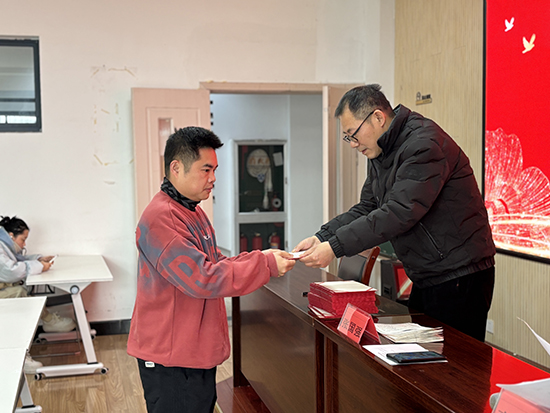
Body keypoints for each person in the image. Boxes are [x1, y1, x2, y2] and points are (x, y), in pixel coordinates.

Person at [294, 84, 496, 342]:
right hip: (427, 273)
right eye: (348, 137)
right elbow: (368, 207)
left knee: (456, 360)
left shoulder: (424, 144)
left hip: (458, 274)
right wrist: (322, 237)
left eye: (353, 134)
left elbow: (398, 212)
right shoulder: (382, 152)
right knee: (425, 356)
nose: (353, 144)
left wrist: (334, 247)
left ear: (378, 117)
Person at [127, 127, 296, 413]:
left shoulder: (192, 211)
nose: (213, 178)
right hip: (171, 358)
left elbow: (214, 262)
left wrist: (262, 256)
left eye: (214, 170)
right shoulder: (162, 218)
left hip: (191, 351)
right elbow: (203, 278)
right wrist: (265, 265)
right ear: (176, 168)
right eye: (206, 169)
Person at [0, 215, 77, 373]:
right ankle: (19, 356)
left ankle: (48, 322)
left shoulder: (4, 245)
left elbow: (17, 260)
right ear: (11, 235)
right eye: (23, 239)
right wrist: (39, 266)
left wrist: (38, 260)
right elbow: (11, 271)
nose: (24, 244)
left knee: (19, 292)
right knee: (19, 294)